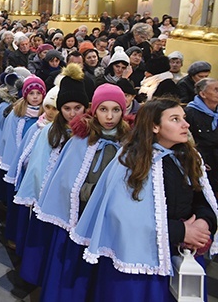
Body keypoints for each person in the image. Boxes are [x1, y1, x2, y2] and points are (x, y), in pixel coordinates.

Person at [72, 97, 218, 301]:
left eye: (183, 118)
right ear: (155, 126)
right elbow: (121, 217)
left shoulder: (188, 156)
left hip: (184, 253)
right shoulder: (131, 161)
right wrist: (182, 231)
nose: (186, 124)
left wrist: (203, 222)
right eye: (175, 119)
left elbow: (203, 198)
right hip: (140, 260)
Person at [35, 84, 129, 301]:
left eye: (115, 110)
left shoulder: (128, 143)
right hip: (80, 214)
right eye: (103, 109)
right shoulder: (80, 140)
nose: (109, 116)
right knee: (75, 265)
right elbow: (66, 180)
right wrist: (91, 192)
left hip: (109, 217)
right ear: (94, 110)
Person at [14, 63, 88, 286]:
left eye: (78, 108)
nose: (72, 114)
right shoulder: (49, 131)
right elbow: (37, 166)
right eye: (66, 108)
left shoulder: (90, 136)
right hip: (48, 197)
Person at [0, 76, 46, 250]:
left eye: (38, 93)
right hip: (19, 165)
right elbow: (11, 140)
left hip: (35, 167)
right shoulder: (17, 113)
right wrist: (16, 163)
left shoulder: (45, 115)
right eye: (31, 93)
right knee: (16, 204)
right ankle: (13, 235)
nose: (35, 97)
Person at [185, 78, 218, 192]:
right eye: (216, 90)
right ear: (203, 94)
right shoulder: (190, 113)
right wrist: (199, 160)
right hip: (204, 162)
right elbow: (188, 141)